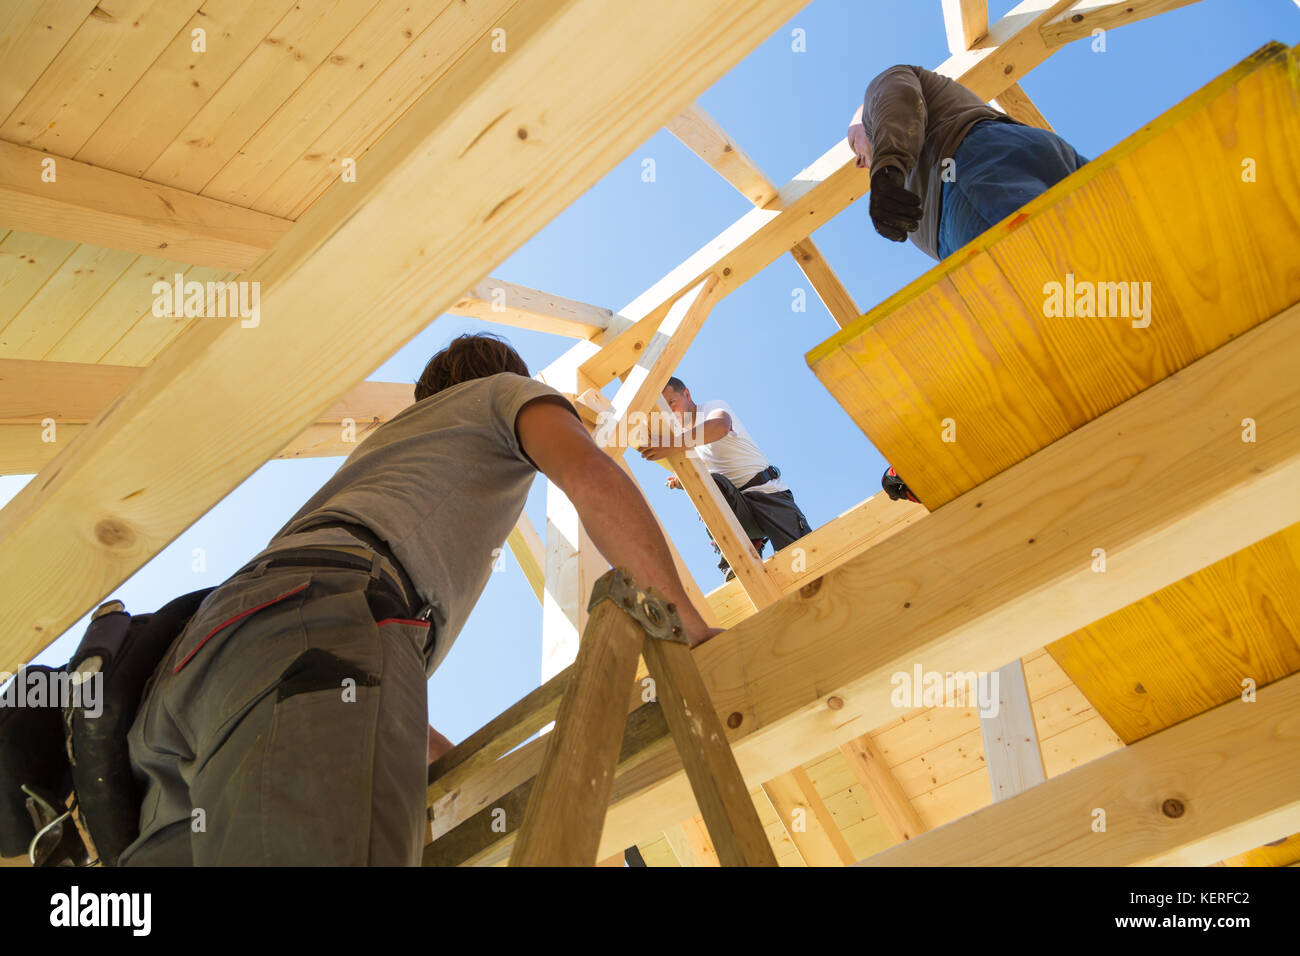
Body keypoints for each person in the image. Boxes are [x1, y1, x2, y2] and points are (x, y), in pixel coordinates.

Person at [119, 333, 718, 866]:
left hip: (192, 665)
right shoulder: (505, 393)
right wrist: (692, 632)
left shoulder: (387, 452)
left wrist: (442, 757)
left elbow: (322, 672)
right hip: (325, 620)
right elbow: (589, 477)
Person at [846, 64, 1090, 503]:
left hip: (965, 175)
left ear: (866, 122)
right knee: (1110, 266)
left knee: (1037, 315)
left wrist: (886, 169)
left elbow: (895, 96)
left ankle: (946, 450)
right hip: (1021, 156)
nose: (858, 160)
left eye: (855, 148)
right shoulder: (959, 111)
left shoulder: (883, 91)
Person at [639, 377, 812, 581]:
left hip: (767, 497)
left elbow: (721, 425)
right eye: (665, 410)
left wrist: (673, 444)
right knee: (706, 482)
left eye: (671, 403)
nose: (671, 412)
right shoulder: (686, 443)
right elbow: (706, 479)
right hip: (740, 512)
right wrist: (683, 480)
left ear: (686, 394)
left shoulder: (711, 410)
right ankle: (734, 559)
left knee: (803, 563)